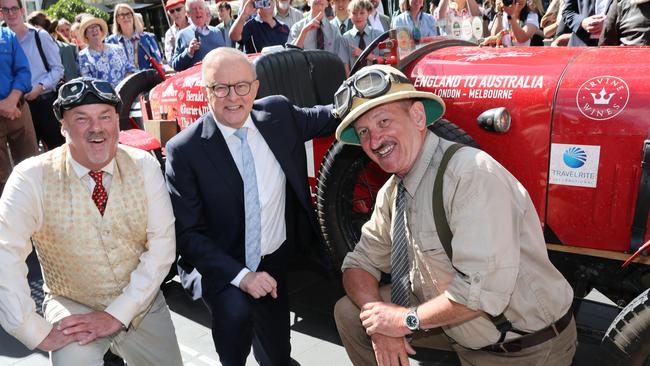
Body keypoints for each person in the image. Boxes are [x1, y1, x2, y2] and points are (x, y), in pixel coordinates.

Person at [332, 65, 577, 366]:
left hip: (521, 347)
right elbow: (358, 264)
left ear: (418, 117)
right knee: (351, 313)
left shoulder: (470, 174)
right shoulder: (394, 191)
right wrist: (378, 319)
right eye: (364, 132)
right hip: (458, 329)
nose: (374, 141)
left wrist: (404, 320)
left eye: (384, 122)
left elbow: (483, 291)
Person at [165, 47, 340, 365]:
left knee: (277, 355)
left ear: (256, 87)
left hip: (272, 260)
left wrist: (375, 98)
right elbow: (188, 236)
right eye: (221, 87)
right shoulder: (184, 150)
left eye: (241, 86)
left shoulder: (279, 115)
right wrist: (242, 276)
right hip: (221, 265)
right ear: (207, 92)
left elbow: (331, 115)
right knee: (236, 319)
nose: (233, 97)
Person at [0, 77, 183, 365]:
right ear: (63, 126)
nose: (96, 128)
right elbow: (5, 254)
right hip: (72, 304)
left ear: (117, 123)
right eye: (82, 119)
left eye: (105, 116)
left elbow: (162, 247)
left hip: (141, 303)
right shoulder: (31, 177)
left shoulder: (144, 165)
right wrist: (33, 331)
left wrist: (117, 313)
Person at [3, 0, 65, 150]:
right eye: (6, 10)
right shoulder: (2, 40)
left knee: (57, 151)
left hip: (44, 103)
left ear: (22, 10)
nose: (11, 13)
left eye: (14, 9)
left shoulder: (39, 35)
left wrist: (40, 87)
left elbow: (58, 69)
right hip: (15, 107)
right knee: (26, 159)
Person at [0, 21, 38, 195]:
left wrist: (12, 100)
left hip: (18, 110)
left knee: (32, 168)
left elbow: (23, 71)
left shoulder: (7, 36)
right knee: (2, 178)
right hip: (9, 108)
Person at [289, 0, 350, 68]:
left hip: (328, 74)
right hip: (305, 75)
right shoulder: (298, 27)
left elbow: (341, 61)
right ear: (308, 2)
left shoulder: (334, 30)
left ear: (327, 3)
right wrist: (304, 31)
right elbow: (291, 56)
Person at [78, 17, 135, 87]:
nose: (94, 30)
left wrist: (124, 87)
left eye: (96, 27)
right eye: (90, 28)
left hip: (125, 92)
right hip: (102, 96)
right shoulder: (83, 55)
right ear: (85, 34)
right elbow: (88, 83)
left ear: (101, 31)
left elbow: (129, 69)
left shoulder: (117, 48)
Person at [171, 0, 225, 71]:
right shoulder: (182, 35)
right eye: (194, 9)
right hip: (196, 80)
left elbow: (225, 58)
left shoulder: (217, 32)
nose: (198, 11)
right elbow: (175, 66)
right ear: (188, 13)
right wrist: (188, 52)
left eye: (200, 8)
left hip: (218, 79)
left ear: (205, 11)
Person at [107, 3, 163, 71]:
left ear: (133, 17)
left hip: (148, 79)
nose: (126, 17)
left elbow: (158, 63)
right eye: (122, 15)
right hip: (125, 80)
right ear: (117, 19)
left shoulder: (148, 38)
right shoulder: (111, 42)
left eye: (128, 14)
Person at [342, 0, 383, 66]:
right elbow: (345, 64)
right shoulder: (346, 38)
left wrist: (363, 54)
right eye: (354, 13)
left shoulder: (378, 35)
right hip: (355, 76)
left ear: (368, 12)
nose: (358, 16)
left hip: (375, 75)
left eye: (362, 13)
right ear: (349, 14)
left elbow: (386, 60)